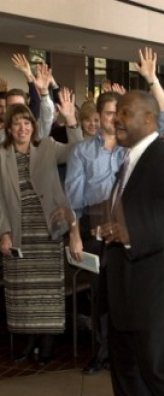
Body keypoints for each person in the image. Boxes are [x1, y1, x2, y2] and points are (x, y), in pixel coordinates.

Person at [65, 46, 164, 375]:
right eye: (109, 113)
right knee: (102, 298)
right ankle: (102, 354)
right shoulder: (82, 152)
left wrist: (152, 80)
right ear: (99, 117)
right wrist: (74, 236)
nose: (115, 118)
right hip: (96, 230)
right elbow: (72, 197)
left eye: (120, 113)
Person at [95, 90, 164, 396]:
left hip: (155, 292)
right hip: (126, 292)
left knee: (159, 373)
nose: (116, 118)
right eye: (117, 112)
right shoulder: (130, 159)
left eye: (125, 113)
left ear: (148, 119)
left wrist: (131, 232)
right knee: (127, 373)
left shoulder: (163, 160)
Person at [0, 88, 82, 364]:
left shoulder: (47, 146)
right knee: (22, 290)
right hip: (18, 230)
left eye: (27, 123)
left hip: (47, 228)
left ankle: (46, 343)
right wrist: (4, 232)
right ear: (9, 128)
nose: (22, 128)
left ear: (33, 126)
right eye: (17, 123)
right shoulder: (1, 155)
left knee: (46, 289)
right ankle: (27, 340)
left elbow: (77, 151)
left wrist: (71, 122)